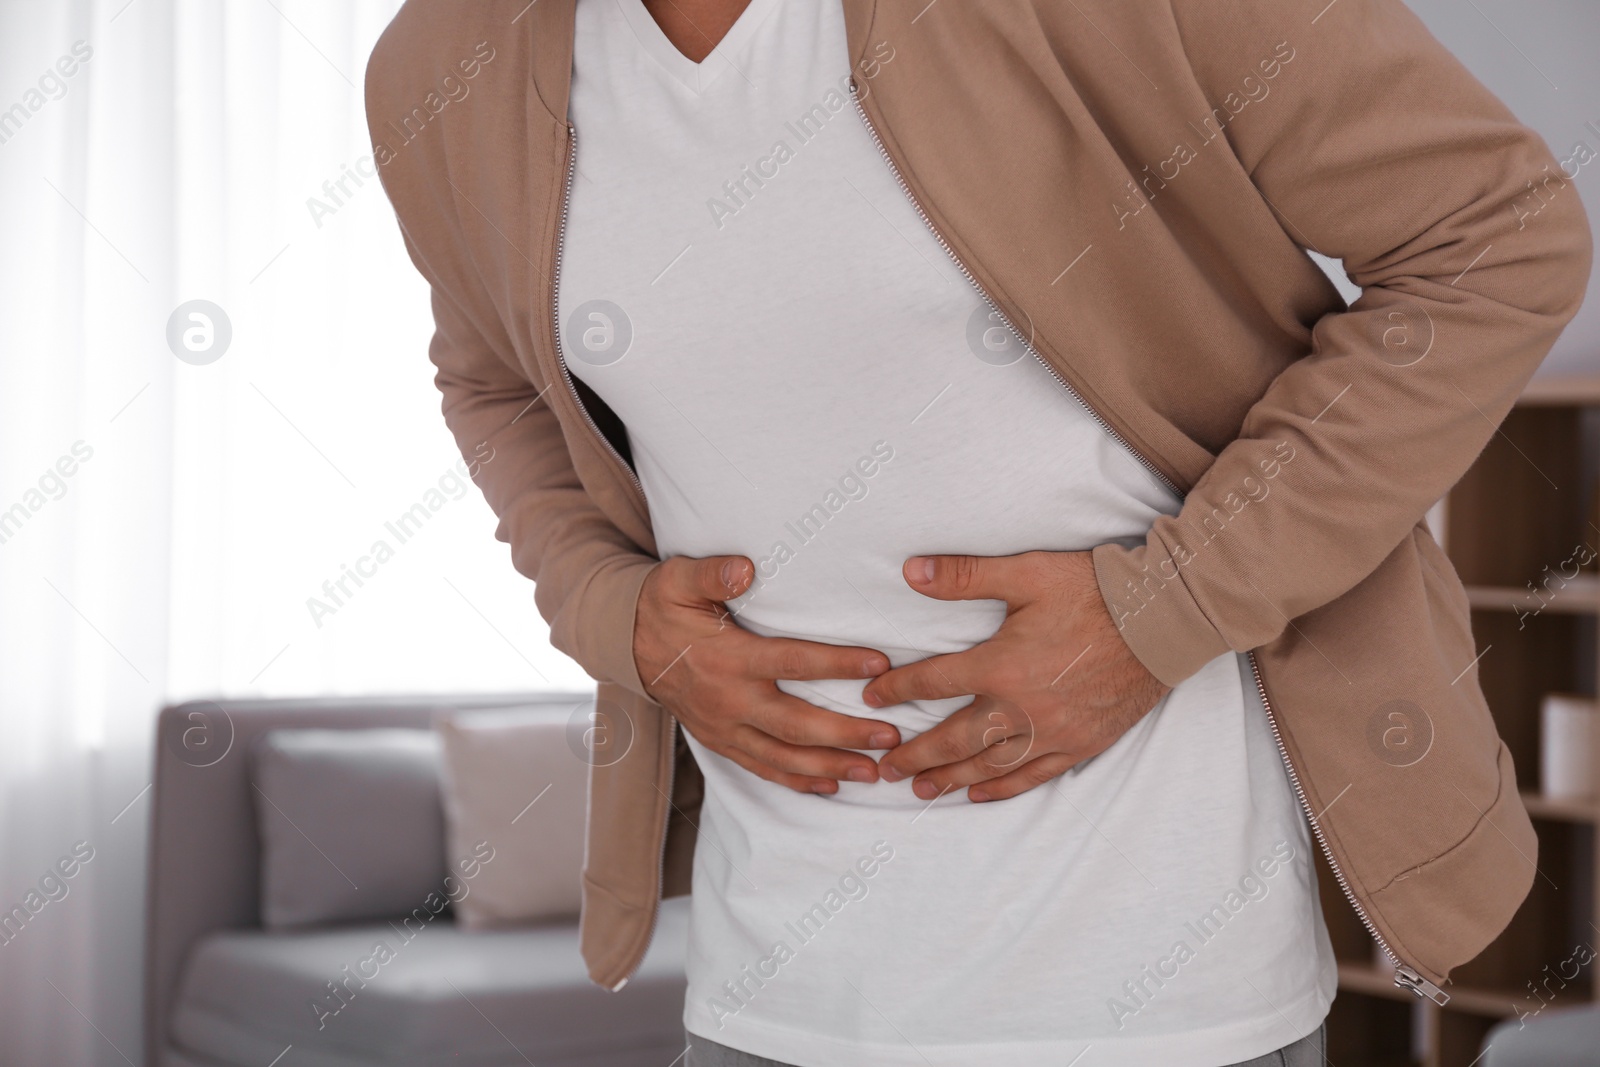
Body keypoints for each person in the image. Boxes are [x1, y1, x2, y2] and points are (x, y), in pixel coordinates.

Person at [364, 1, 1592, 1064]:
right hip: (765, 1002)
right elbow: (493, 381)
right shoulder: (441, 65)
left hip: (1165, 1007)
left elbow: (1496, 234)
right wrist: (608, 606)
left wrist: (1164, 607)